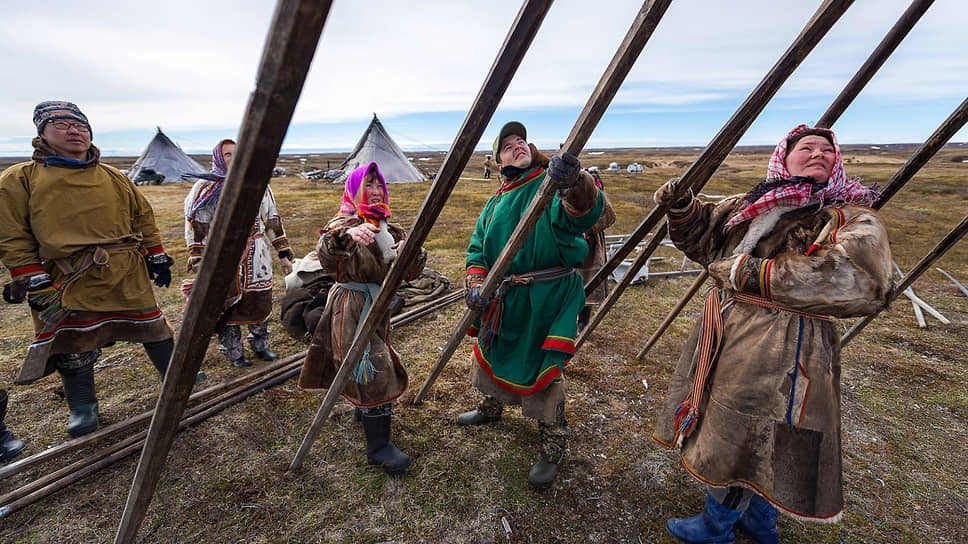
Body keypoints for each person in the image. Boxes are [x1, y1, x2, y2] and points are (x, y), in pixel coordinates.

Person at [651, 124, 892, 543]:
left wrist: (754, 273)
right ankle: (759, 522)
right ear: (785, 156)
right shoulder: (758, 204)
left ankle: (716, 526)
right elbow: (710, 242)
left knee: (756, 432)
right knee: (748, 428)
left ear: (837, 163)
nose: (818, 154)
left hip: (789, 344)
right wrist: (684, 209)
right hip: (734, 332)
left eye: (827, 150)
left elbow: (861, 281)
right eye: (806, 148)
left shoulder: (850, 215)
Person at [0, 101, 176, 438]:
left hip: (125, 269)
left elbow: (143, 217)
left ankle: (177, 379)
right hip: (64, 277)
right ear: (42, 133)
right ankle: (83, 407)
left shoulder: (112, 175)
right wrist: (33, 280)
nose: (74, 130)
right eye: (62, 124)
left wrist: (155, 255)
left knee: (153, 328)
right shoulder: (20, 178)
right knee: (72, 342)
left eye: (80, 125)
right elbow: (11, 234)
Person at [457, 121, 605, 488]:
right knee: (491, 349)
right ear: (497, 161)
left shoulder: (548, 186)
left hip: (547, 295)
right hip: (506, 296)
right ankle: (491, 408)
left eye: (521, 141)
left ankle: (552, 442)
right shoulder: (494, 202)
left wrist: (574, 183)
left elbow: (582, 213)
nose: (517, 145)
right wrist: (477, 281)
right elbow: (477, 247)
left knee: (542, 367)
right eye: (507, 145)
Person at [297, 162, 426, 475]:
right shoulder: (344, 223)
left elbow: (408, 272)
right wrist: (346, 236)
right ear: (354, 189)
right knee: (373, 367)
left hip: (378, 305)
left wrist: (411, 251)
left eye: (379, 184)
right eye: (368, 185)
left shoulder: (387, 226)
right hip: (352, 306)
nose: (377, 191)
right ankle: (378, 447)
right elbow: (328, 255)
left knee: (366, 367)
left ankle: (365, 412)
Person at [184, 139, 294, 368]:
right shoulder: (205, 188)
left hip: (257, 255)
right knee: (227, 306)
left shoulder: (258, 184)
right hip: (221, 257)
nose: (233, 158)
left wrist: (282, 254)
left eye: (237, 153)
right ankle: (234, 353)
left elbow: (272, 217)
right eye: (227, 154)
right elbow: (197, 223)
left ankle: (261, 345)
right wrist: (197, 255)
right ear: (218, 157)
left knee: (260, 302)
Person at [577, 169, 616, 333]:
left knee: (587, 284)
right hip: (567, 244)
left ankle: (583, 323)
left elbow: (608, 215)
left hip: (589, 244)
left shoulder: (595, 186)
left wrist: (588, 230)